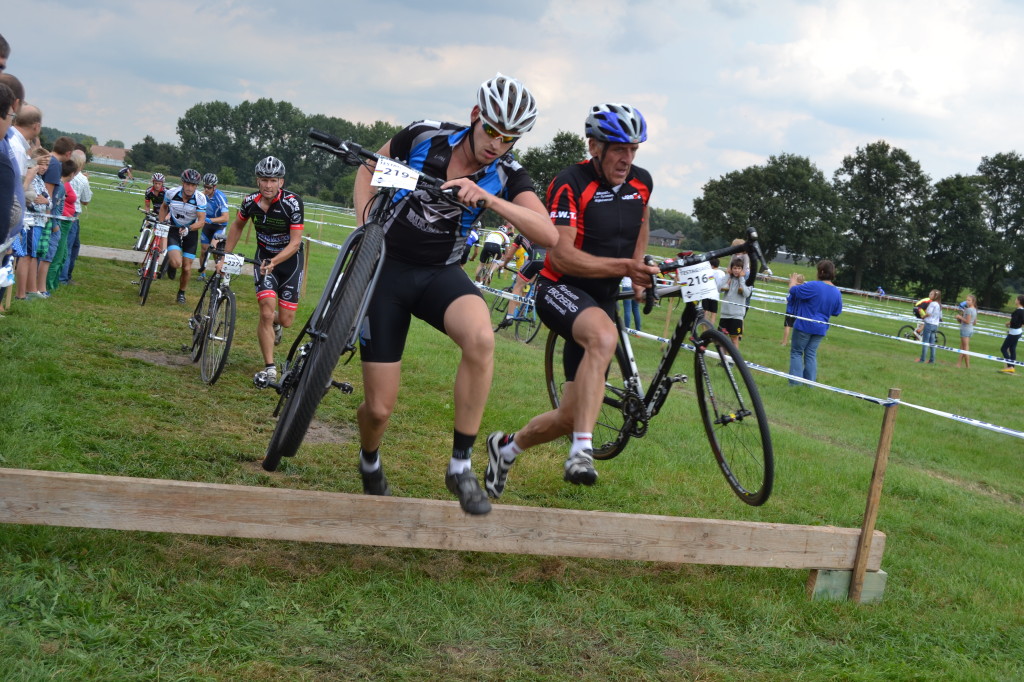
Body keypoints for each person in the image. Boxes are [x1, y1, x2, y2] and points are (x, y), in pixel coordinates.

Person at [352, 73, 556, 515]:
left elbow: (548, 234)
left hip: (439, 275)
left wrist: (490, 199)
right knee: (379, 410)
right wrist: (364, 223)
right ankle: (370, 457)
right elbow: (370, 167)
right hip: (387, 269)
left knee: (482, 339)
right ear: (475, 116)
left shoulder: (506, 173)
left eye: (510, 139)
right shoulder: (426, 135)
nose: (497, 145)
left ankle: (460, 465)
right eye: (493, 132)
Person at [484, 101, 658, 501]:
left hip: (602, 299)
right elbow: (560, 254)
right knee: (603, 335)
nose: (627, 158)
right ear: (595, 146)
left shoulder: (642, 182)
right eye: (618, 148)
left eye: (633, 149)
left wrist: (639, 269)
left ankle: (505, 448)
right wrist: (624, 267)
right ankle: (582, 451)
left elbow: (641, 227)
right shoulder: (571, 182)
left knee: (570, 414)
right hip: (559, 289)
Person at [221, 156, 304, 379]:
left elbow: (295, 242)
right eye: (264, 180)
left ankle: (276, 325)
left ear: (281, 182)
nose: (268, 185)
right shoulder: (250, 202)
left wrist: (275, 262)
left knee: (285, 320)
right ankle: (270, 367)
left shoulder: (293, 203)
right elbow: (238, 225)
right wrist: (225, 256)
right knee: (266, 312)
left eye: (273, 180)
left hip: (289, 263)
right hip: (263, 259)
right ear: (258, 181)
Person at [787, 260, 843, 386]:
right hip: (821, 328)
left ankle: (795, 384)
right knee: (811, 354)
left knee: (796, 352)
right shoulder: (836, 292)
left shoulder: (813, 285)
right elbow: (836, 312)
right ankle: (809, 384)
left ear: (821, 272)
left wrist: (792, 283)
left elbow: (793, 291)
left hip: (804, 326)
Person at [158, 169, 207, 304]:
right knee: (176, 263)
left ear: (197, 186)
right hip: (174, 228)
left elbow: (202, 221)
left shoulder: (200, 198)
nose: (190, 188)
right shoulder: (171, 193)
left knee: (186, 267)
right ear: (182, 183)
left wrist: (189, 228)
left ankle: (181, 292)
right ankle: (172, 263)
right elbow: (163, 207)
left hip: (191, 231)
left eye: (193, 185)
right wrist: (161, 224)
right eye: (188, 184)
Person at [494, 228, 547, 331]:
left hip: (534, 259)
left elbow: (509, 255)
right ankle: (528, 305)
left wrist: (504, 264)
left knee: (518, 286)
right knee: (531, 282)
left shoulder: (520, 236)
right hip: (546, 262)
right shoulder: (541, 232)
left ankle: (509, 317)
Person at [197, 173, 229, 278]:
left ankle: (219, 271)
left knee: (214, 248)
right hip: (208, 225)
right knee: (204, 249)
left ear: (215, 187)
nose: (206, 189)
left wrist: (211, 220)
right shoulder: (203, 195)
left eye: (209, 187)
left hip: (219, 226)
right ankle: (202, 273)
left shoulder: (220, 197)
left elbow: (226, 217)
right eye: (205, 187)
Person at [718, 256, 751, 347]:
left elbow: (746, 293)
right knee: (722, 339)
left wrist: (741, 279)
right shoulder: (728, 278)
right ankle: (723, 359)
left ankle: (732, 360)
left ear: (742, 269)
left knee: (734, 338)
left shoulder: (746, 280)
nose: (736, 270)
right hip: (725, 314)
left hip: (737, 315)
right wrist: (727, 275)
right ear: (731, 268)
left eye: (739, 268)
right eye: (734, 268)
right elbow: (718, 289)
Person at [998, 294, 1024, 374]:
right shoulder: (1023, 311)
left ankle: (1010, 366)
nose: (1015, 300)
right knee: (1012, 349)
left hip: (1013, 333)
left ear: (1019, 301)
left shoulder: (1017, 311)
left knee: (1003, 349)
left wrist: (1007, 323)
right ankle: (1012, 367)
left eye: (1016, 299)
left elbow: (1014, 322)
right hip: (1018, 332)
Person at [915, 289, 942, 364]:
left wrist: (924, 316)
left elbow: (929, 313)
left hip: (929, 324)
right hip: (935, 325)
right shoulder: (939, 305)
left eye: (931, 294)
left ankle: (922, 359)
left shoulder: (932, 304)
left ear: (935, 296)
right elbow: (940, 316)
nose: (929, 295)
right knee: (932, 343)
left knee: (925, 342)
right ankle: (932, 360)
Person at [781, 273, 805, 345]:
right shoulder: (803, 290)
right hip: (798, 312)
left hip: (790, 310)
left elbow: (788, 298)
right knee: (796, 328)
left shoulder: (793, 290)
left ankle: (784, 342)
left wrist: (790, 285)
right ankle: (793, 341)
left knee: (787, 326)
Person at [955, 295, 977, 369]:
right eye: (966, 300)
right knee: (962, 347)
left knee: (965, 349)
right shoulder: (975, 310)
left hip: (965, 329)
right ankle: (958, 364)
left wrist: (960, 317)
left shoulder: (968, 310)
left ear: (973, 301)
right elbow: (974, 322)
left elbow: (967, 321)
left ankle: (968, 366)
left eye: (969, 300)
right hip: (970, 329)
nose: (967, 301)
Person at [701, 257, 726, 326]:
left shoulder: (707, 271)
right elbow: (721, 284)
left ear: (711, 265)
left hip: (706, 293)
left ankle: (704, 328)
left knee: (705, 311)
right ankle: (711, 328)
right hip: (715, 295)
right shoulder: (721, 273)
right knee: (713, 313)